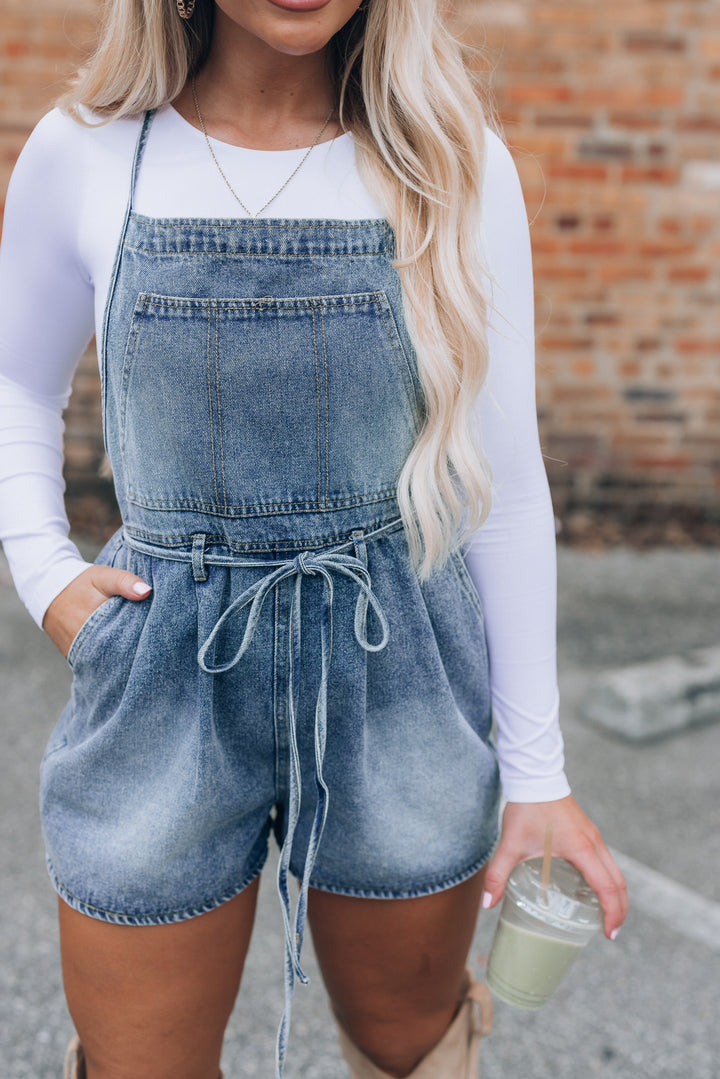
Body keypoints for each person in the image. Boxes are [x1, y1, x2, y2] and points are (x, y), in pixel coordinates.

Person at [0, 2, 628, 1077]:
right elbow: (17, 378)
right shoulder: (91, 149)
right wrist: (46, 571)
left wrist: (539, 769)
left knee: (405, 1042)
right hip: (165, 670)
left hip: (399, 672)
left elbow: (509, 484)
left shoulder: (454, 160)